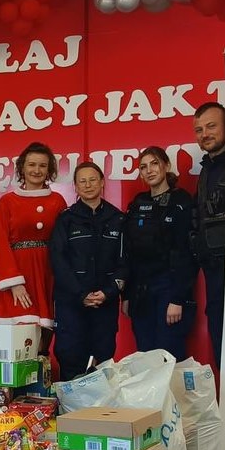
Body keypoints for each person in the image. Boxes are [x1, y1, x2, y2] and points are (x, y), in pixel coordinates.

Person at [48, 162, 127, 382]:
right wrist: (81, 294)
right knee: (70, 357)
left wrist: (108, 292)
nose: (88, 185)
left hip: (105, 303)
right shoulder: (65, 219)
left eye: (92, 180)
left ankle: (100, 404)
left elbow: (125, 262)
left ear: (102, 182)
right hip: (71, 304)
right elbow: (58, 261)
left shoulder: (118, 218)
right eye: (82, 181)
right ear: (75, 186)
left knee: (103, 359)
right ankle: (70, 404)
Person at [123, 147, 196, 360]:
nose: (149, 170)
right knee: (145, 356)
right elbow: (129, 252)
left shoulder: (181, 201)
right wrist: (126, 296)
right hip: (141, 293)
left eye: (154, 163)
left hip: (169, 289)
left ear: (166, 165)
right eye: (143, 167)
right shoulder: (138, 203)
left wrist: (178, 299)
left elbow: (186, 252)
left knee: (169, 355)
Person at [0, 141, 67, 346]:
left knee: (43, 337)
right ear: (22, 168)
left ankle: (41, 367)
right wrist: (14, 283)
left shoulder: (57, 201)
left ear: (49, 170)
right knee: (18, 339)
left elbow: (64, 242)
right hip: (18, 273)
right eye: (32, 164)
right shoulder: (7, 201)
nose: (37, 170)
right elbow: (0, 243)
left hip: (46, 274)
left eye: (42, 165)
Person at [192, 102, 225, 368]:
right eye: (199, 130)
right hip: (214, 270)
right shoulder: (207, 169)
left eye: (211, 126)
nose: (205, 134)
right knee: (220, 340)